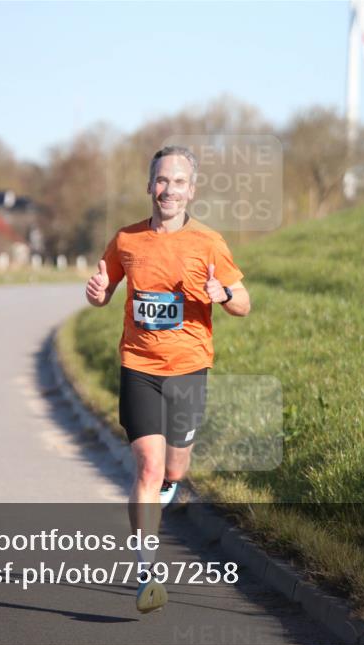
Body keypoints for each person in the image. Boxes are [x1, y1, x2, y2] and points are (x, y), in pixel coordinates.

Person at [85, 145, 251, 613]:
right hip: (138, 367)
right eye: (161, 181)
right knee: (149, 467)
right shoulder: (126, 241)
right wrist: (96, 292)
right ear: (149, 186)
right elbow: (103, 290)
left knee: (174, 471)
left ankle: (159, 500)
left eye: (178, 182)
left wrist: (223, 294)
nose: (169, 190)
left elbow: (244, 302)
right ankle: (147, 571)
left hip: (189, 370)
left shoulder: (209, 242)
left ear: (191, 190)